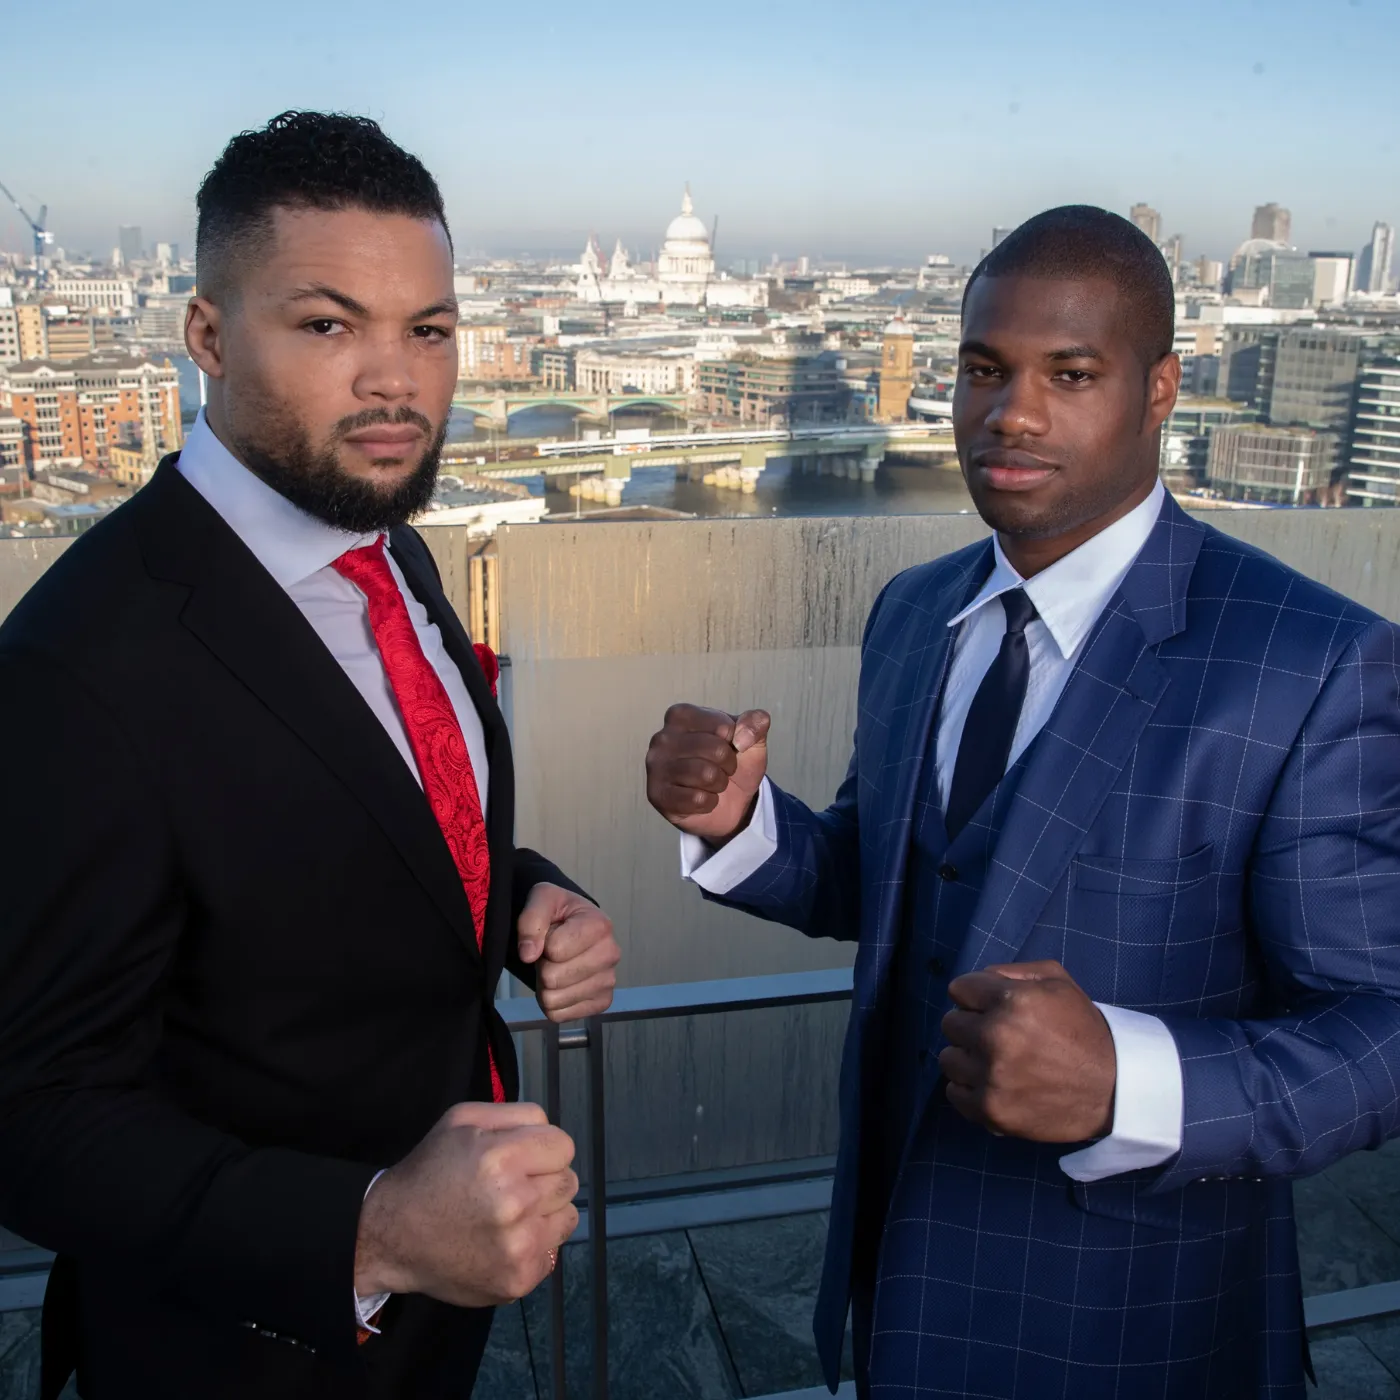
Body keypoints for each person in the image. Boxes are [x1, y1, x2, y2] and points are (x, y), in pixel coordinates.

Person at [645, 205, 1400, 1399]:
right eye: (984, 369)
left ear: (1159, 390)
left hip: (1138, 1323)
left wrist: (1129, 1081)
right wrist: (744, 821)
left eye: (1070, 373)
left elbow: (1379, 1029)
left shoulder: (1307, 661)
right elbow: (887, 882)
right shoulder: (912, 611)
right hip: (898, 1282)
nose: (1013, 413)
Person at [0, 111, 621, 1400]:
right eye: (328, 325)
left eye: (429, 329)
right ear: (210, 338)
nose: (395, 381)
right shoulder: (80, 665)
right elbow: (33, 1109)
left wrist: (521, 897)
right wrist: (377, 1231)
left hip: (434, 1311)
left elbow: (362, 823)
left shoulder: (380, 541)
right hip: (245, 1348)